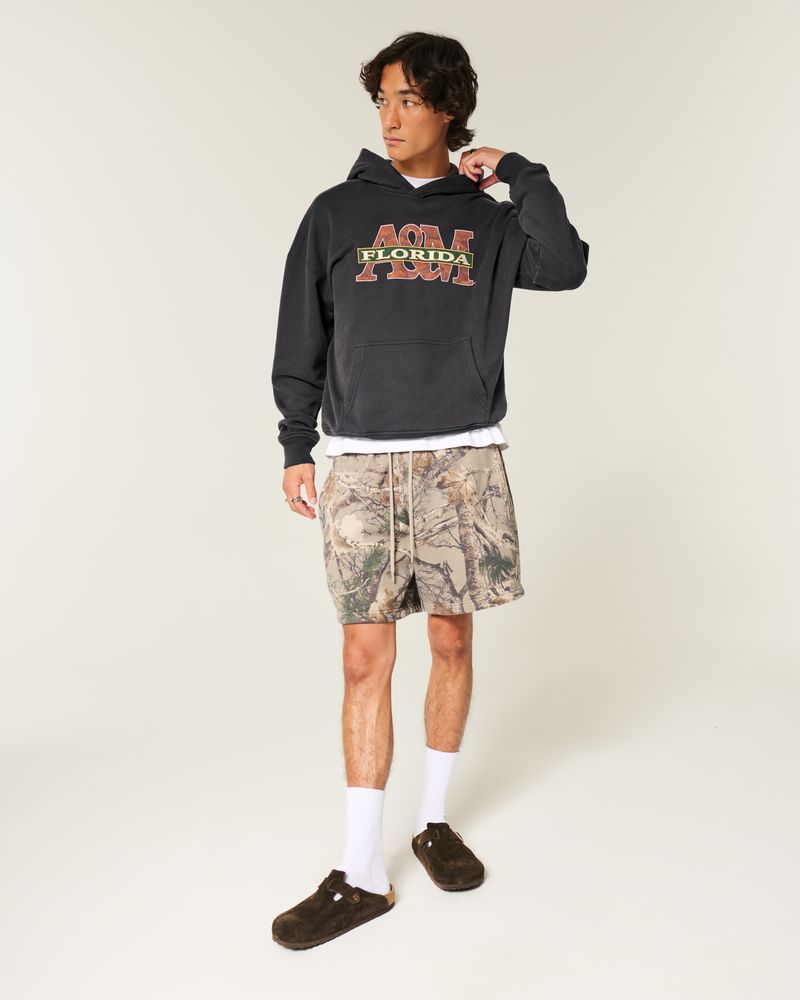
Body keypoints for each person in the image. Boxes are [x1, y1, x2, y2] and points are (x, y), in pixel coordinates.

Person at [270, 31, 589, 950]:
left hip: (461, 460)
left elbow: (566, 265)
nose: (391, 116)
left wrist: (519, 172)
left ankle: (435, 820)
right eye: (382, 99)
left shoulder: (487, 219)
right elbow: (301, 330)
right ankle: (362, 871)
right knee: (362, 658)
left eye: (409, 99)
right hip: (362, 459)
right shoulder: (336, 212)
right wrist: (297, 442)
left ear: (449, 108)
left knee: (451, 639)